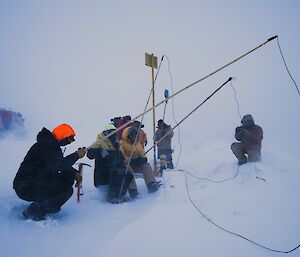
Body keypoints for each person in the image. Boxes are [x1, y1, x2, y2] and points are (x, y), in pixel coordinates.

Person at [13, 124, 86, 221]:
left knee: (67, 176)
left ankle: (42, 203)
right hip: (26, 186)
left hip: (36, 181)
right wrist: (76, 155)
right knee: (67, 190)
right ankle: (35, 211)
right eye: (70, 139)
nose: (70, 142)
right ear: (62, 136)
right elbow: (59, 165)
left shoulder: (50, 144)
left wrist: (74, 173)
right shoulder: (47, 146)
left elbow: (56, 163)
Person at [87, 124, 133, 204]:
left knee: (128, 174)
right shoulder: (99, 143)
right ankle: (112, 196)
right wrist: (100, 151)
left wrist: (119, 159)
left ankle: (121, 194)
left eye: (114, 133)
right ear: (106, 133)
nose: (113, 135)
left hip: (113, 170)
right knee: (115, 172)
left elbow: (121, 158)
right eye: (111, 133)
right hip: (102, 174)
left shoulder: (115, 145)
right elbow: (89, 155)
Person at [120, 127, 160, 198]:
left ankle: (151, 183)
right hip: (127, 165)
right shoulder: (122, 143)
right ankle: (133, 190)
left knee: (146, 165)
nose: (134, 137)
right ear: (128, 135)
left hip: (136, 164)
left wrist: (142, 159)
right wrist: (131, 160)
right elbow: (121, 157)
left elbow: (143, 154)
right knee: (128, 169)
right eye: (132, 135)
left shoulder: (137, 143)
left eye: (135, 135)